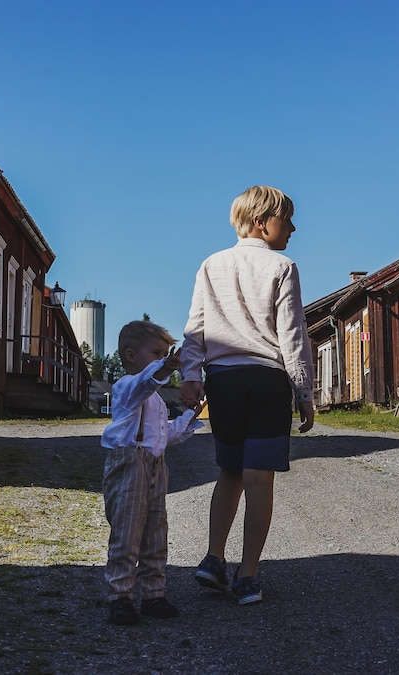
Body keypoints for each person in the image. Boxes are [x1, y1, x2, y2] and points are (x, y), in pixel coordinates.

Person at [179, 185, 315, 606]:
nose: (292, 227)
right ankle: (248, 574)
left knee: (230, 472)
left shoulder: (211, 264)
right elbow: (291, 335)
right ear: (262, 222)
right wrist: (304, 391)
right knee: (260, 478)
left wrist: (190, 374)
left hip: (223, 380)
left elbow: (195, 325)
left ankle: (213, 558)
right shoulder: (283, 266)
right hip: (267, 381)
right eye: (286, 219)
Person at [101, 320, 204, 626]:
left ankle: (153, 594)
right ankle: (119, 597)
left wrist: (189, 416)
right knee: (127, 533)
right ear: (131, 355)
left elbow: (165, 435)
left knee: (156, 532)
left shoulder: (156, 400)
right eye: (157, 352)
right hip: (129, 462)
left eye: (166, 353)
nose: (164, 357)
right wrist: (165, 368)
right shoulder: (126, 388)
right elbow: (146, 382)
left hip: (156, 464)